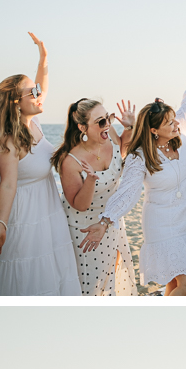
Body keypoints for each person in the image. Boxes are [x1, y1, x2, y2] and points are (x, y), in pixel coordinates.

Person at [99, 58, 186, 296]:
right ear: (153, 130)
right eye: (168, 123)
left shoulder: (181, 133)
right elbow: (129, 191)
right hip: (163, 226)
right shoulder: (140, 156)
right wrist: (106, 219)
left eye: (174, 120)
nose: (175, 125)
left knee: (175, 284)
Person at [0, 34, 81, 295]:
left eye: (38, 90)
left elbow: (42, 85)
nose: (40, 94)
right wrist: (0, 225)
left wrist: (44, 58)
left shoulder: (32, 123)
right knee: (30, 277)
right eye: (33, 92)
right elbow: (7, 185)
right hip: (26, 218)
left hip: (48, 210)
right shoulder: (8, 141)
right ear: (17, 103)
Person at [52, 98, 138, 295]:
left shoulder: (110, 135)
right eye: (101, 122)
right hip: (86, 230)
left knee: (113, 279)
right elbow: (79, 204)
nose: (107, 124)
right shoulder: (71, 161)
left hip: (112, 220)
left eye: (108, 118)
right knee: (91, 288)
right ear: (82, 127)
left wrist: (130, 127)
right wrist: (90, 180)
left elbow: (122, 151)